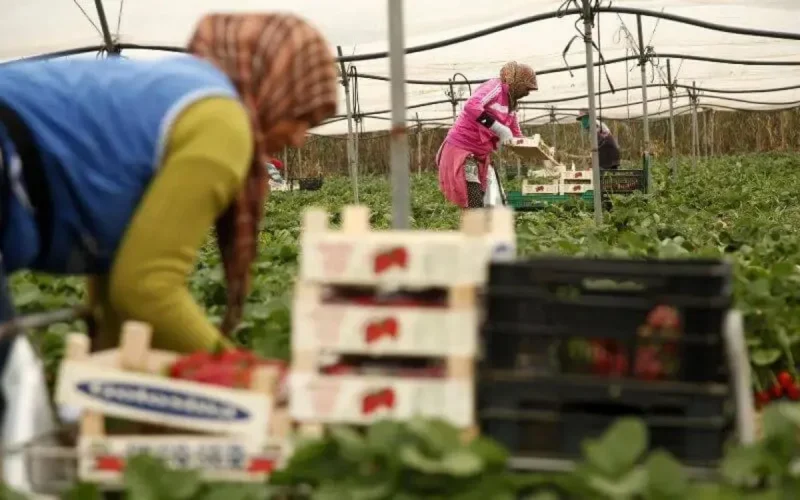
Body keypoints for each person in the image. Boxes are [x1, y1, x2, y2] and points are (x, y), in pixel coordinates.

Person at [0, 13, 338, 353]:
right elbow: (146, 288)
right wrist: (243, 377)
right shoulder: (222, 120)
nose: (298, 138)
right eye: (301, 116)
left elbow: (118, 293)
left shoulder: (178, 89)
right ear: (276, 86)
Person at [437, 61, 538, 208]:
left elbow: (516, 136)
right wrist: (497, 127)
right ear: (517, 82)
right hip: (462, 149)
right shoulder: (495, 87)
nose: (527, 93)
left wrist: (536, 149)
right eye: (526, 88)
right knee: (473, 200)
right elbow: (471, 105)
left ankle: (480, 227)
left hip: (480, 155)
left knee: (488, 200)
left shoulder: (511, 105)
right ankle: (473, 227)